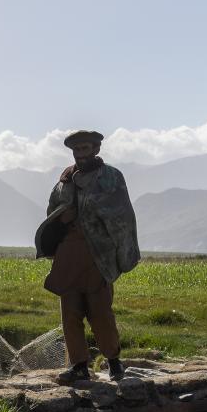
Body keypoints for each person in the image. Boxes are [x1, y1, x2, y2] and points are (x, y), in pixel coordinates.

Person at [36, 130, 140, 385]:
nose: (81, 154)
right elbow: (52, 210)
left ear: (96, 149)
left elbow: (122, 214)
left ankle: (114, 361)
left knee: (101, 312)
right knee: (70, 312)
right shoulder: (64, 181)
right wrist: (63, 217)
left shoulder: (112, 177)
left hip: (99, 254)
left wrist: (93, 213)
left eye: (85, 149)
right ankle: (79, 365)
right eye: (77, 150)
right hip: (69, 253)